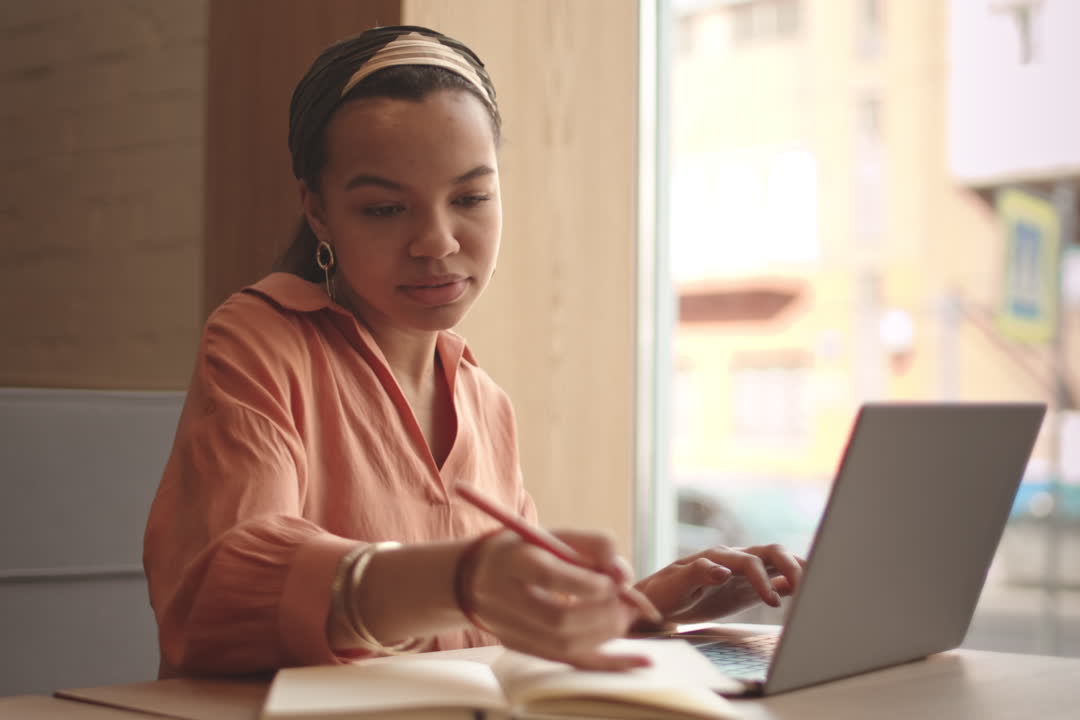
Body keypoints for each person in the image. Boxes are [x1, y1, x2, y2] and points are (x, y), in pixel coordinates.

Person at [143, 24, 803, 679]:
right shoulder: (261, 341)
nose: (436, 241)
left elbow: (494, 646)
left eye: (471, 198)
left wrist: (654, 606)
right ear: (318, 213)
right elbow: (219, 593)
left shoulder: (483, 401)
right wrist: (459, 577)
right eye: (383, 209)